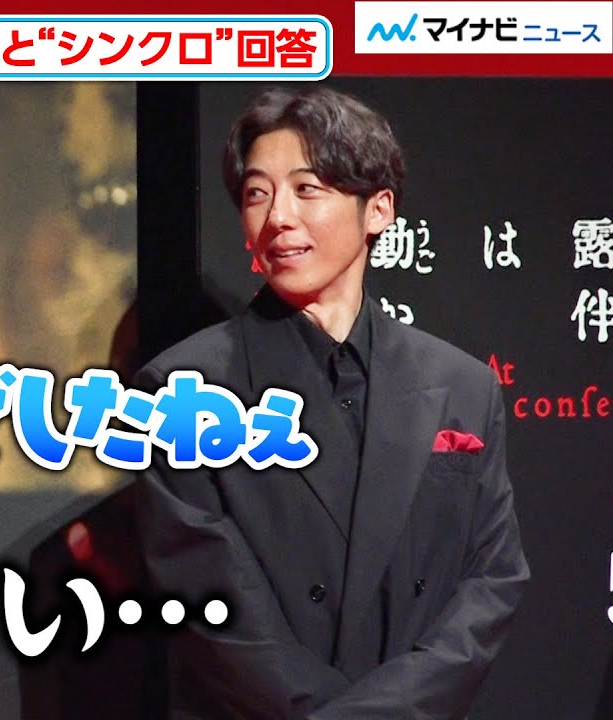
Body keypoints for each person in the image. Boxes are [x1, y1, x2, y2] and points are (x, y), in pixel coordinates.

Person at [134, 87, 529, 718]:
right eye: (257, 194)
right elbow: (216, 611)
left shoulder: (463, 386)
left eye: (307, 189)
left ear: (378, 210)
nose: (277, 217)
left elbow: (493, 580)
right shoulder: (182, 389)